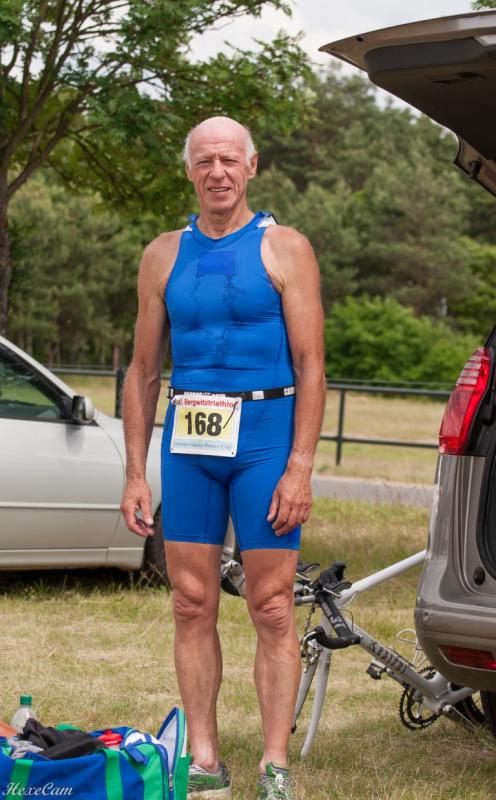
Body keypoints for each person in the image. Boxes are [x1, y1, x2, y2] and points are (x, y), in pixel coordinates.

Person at [120, 116, 325, 800]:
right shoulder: (162, 255)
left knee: (271, 605)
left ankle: (274, 764)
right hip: (191, 442)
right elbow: (143, 369)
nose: (217, 171)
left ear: (251, 166)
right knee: (190, 601)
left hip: (265, 437)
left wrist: (300, 466)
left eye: (229, 160)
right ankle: (203, 756)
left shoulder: (285, 248)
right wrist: (134, 473)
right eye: (205, 160)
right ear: (189, 170)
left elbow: (312, 365)